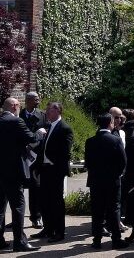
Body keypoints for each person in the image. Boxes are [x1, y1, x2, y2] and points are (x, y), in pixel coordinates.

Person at [0, 97, 41, 252]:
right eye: (19, 106)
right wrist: (39, 133)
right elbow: (30, 138)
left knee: (0, 207)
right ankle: (20, 242)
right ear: (15, 106)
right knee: (18, 206)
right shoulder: (16, 122)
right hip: (14, 171)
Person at [84, 114, 129, 250]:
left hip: (96, 181)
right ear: (110, 123)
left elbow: (88, 162)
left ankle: (97, 239)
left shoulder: (90, 141)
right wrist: (118, 173)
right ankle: (116, 239)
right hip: (112, 180)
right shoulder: (115, 140)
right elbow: (123, 160)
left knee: (97, 210)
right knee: (113, 209)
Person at [32, 102, 73, 243]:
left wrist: (53, 163)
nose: (46, 113)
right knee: (45, 201)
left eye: (49, 110)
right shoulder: (48, 127)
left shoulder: (64, 128)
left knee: (56, 202)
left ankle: (59, 232)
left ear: (57, 111)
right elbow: (43, 148)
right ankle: (48, 228)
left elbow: (65, 152)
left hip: (55, 170)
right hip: (45, 169)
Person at [19, 92, 46, 229]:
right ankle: (17, 218)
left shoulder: (42, 115)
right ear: (28, 100)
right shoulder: (19, 115)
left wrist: (31, 146)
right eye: (35, 99)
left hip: (35, 157)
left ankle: (36, 217)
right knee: (18, 189)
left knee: (36, 187)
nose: (38, 101)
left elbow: (44, 134)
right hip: (20, 156)